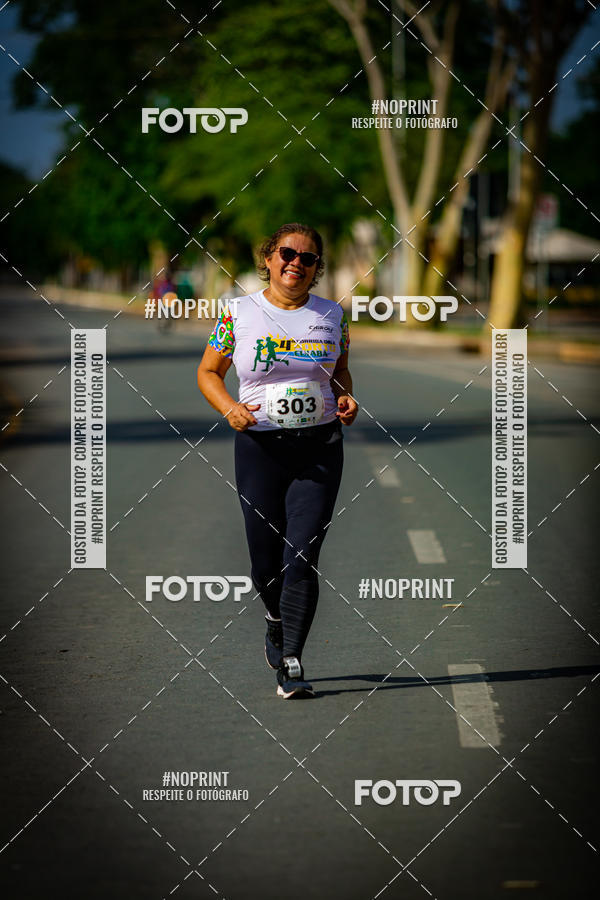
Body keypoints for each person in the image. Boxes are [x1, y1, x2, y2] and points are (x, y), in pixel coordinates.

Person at [197, 223, 358, 698]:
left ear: (317, 268)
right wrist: (230, 408)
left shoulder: (333, 315)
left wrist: (345, 399)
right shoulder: (239, 313)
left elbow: (340, 370)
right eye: (287, 254)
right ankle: (273, 615)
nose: (296, 263)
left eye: (307, 259)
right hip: (260, 448)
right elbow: (208, 371)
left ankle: (292, 661)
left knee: (302, 555)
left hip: (320, 447)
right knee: (265, 562)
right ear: (268, 258)